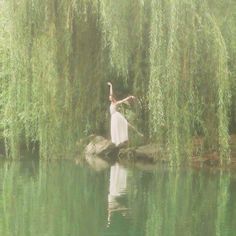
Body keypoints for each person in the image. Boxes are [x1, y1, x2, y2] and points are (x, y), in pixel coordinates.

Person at [107, 82, 134, 146]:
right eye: (109, 97)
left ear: (112, 98)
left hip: (116, 116)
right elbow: (111, 93)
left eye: (110, 97)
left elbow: (123, 100)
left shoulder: (116, 103)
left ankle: (121, 140)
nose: (109, 98)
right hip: (113, 117)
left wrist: (130, 97)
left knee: (118, 127)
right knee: (114, 129)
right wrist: (111, 85)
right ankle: (116, 141)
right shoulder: (111, 103)